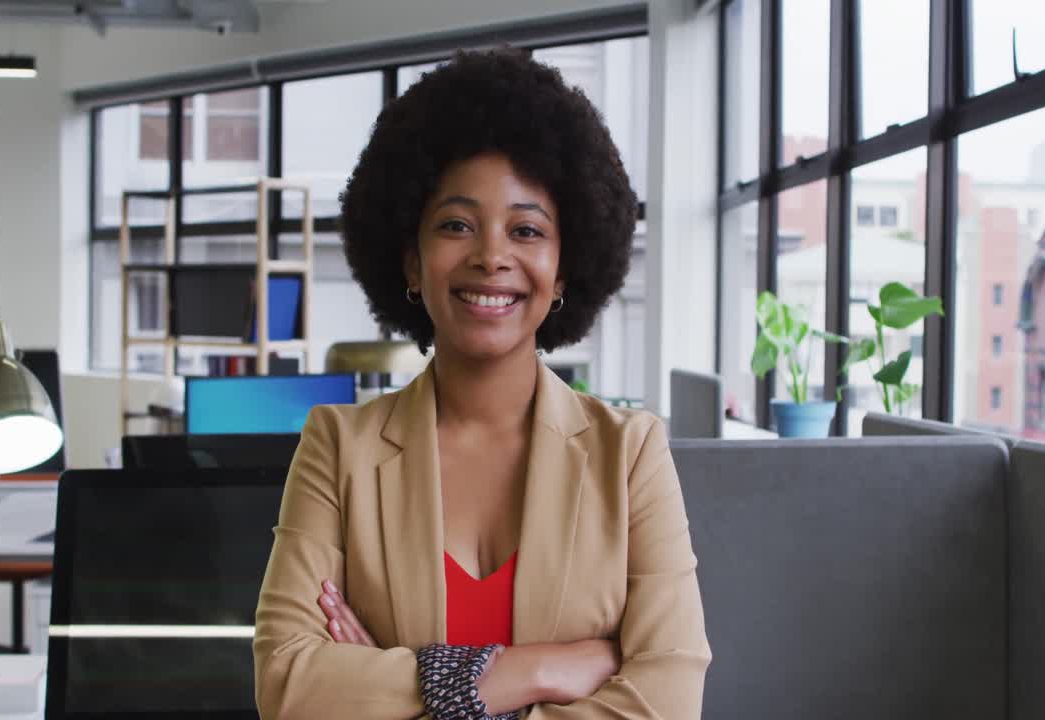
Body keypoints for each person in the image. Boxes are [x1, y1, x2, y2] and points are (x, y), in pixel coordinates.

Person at [253, 48, 711, 719]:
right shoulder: (337, 447)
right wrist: (538, 670)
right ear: (412, 260)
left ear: (562, 270)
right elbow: (288, 686)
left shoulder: (631, 454)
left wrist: (385, 685)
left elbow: (667, 701)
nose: (491, 255)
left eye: (526, 229)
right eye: (456, 225)